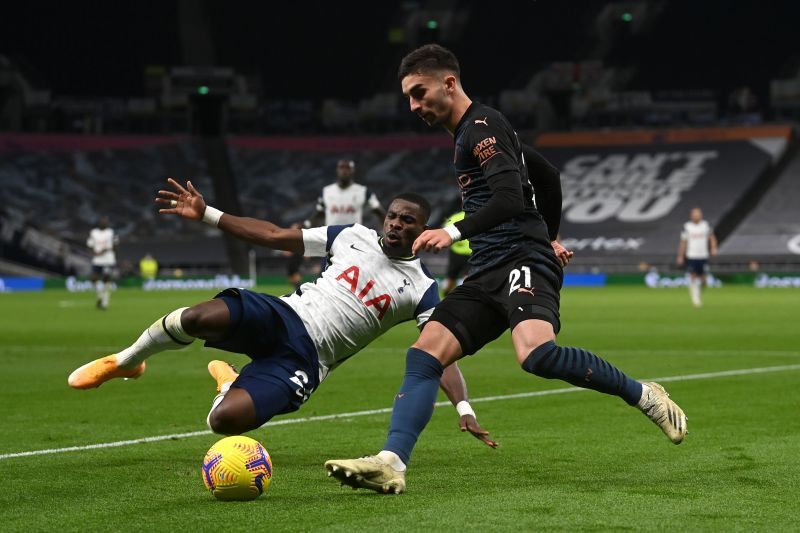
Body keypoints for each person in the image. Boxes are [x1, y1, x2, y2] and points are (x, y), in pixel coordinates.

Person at [325, 44, 687, 494]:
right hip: (488, 268)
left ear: (449, 83)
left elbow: (512, 197)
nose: (414, 106)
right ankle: (391, 462)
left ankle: (643, 394)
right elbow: (546, 174)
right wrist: (552, 234)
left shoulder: (482, 124)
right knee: (424, 354)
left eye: (419, 93)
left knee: (536, 355)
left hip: (521, 260)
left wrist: (457, 234)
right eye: (409, 98)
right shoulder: (472, 133)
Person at [68, 178, 496, 447]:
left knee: (224, 422)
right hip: (285, 314)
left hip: (308, 361)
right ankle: (126, 361)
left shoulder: (422, 290)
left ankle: (230, 382)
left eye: (408, 221)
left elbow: (438, 355)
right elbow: (274, 235)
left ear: (424, 230)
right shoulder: (351, 235)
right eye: (393, 216)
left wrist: (463, 408)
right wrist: (208, 214)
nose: (396, 224)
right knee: (196, 317)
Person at [306, 159, 386, 227]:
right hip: (331, 237)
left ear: (353, 170)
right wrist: (306, 225)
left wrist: (386, 229)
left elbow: (379, 212)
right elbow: (319, 213)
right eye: (341, 167)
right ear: (337, 170)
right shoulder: (326, 191)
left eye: (348, 168)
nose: (344, 171)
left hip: (353, 237)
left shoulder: (363, 191)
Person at [677, 207, 717, 307]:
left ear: (701, 215)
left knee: (704, 280)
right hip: (692, 255)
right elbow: (683, 242)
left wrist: (713, 248)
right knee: (693, 276)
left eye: (698, 214)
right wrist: (680, 256)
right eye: (695, 214)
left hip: (703, 255)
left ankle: (698, 293)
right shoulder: (687, 227)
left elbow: (712, 238)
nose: (696, 216)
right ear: (691, 216)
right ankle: (695, 299)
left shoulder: (705, 225)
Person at [87, 216, 118, 310]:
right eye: (102, 221)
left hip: (108, 260)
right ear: (99, 223)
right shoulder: (94, 233)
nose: (104, 223)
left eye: (105, 221)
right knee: (93, 279)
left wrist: (106, 249)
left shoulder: (111, 232)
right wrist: (94, 253)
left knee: (106, 280)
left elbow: (116, 246)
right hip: (97, 260)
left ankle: (105, 301)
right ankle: (100, 296)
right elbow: (90, 245)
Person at [441, 210, 471, 294]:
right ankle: (448, 293)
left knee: (454, 277)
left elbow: (446, 233)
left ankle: (447, 294)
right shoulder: (476, 216)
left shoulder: (455, 217)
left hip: (458, 252)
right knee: (463, 278)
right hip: (468, 252)